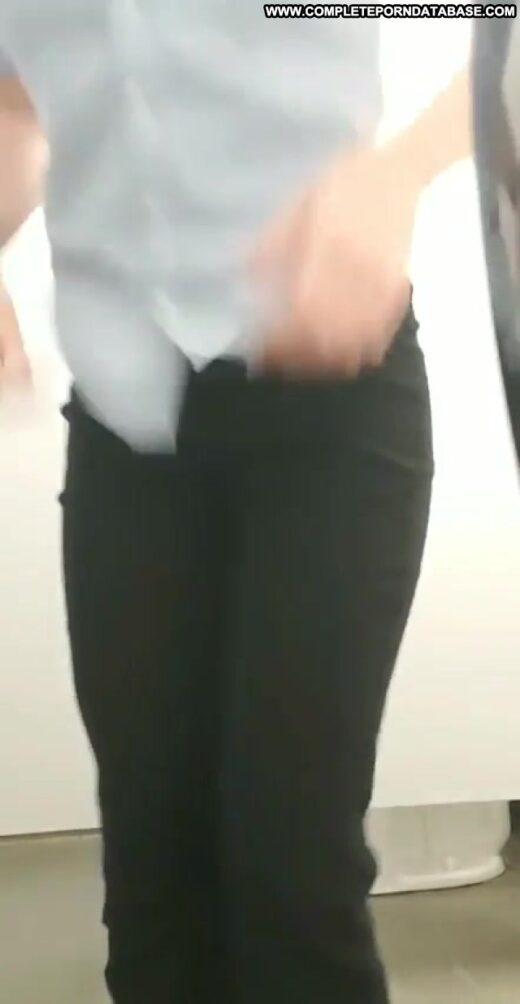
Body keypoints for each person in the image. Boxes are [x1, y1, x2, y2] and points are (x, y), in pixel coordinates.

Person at [0, 10, 471, 1003]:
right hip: (129, 416)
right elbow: (22, 92)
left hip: (330, 401)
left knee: (292, 865)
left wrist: (395, 173)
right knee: (152, 866)